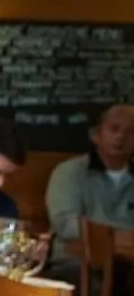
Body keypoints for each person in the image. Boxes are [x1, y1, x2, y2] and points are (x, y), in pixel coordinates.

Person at [44, 103, 134, 269]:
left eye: (131, 132)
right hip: (77, 262)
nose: (121, 136)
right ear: (95, 135)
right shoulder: (70, 172)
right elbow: (65, 225)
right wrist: (115, 237)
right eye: (114, 129)